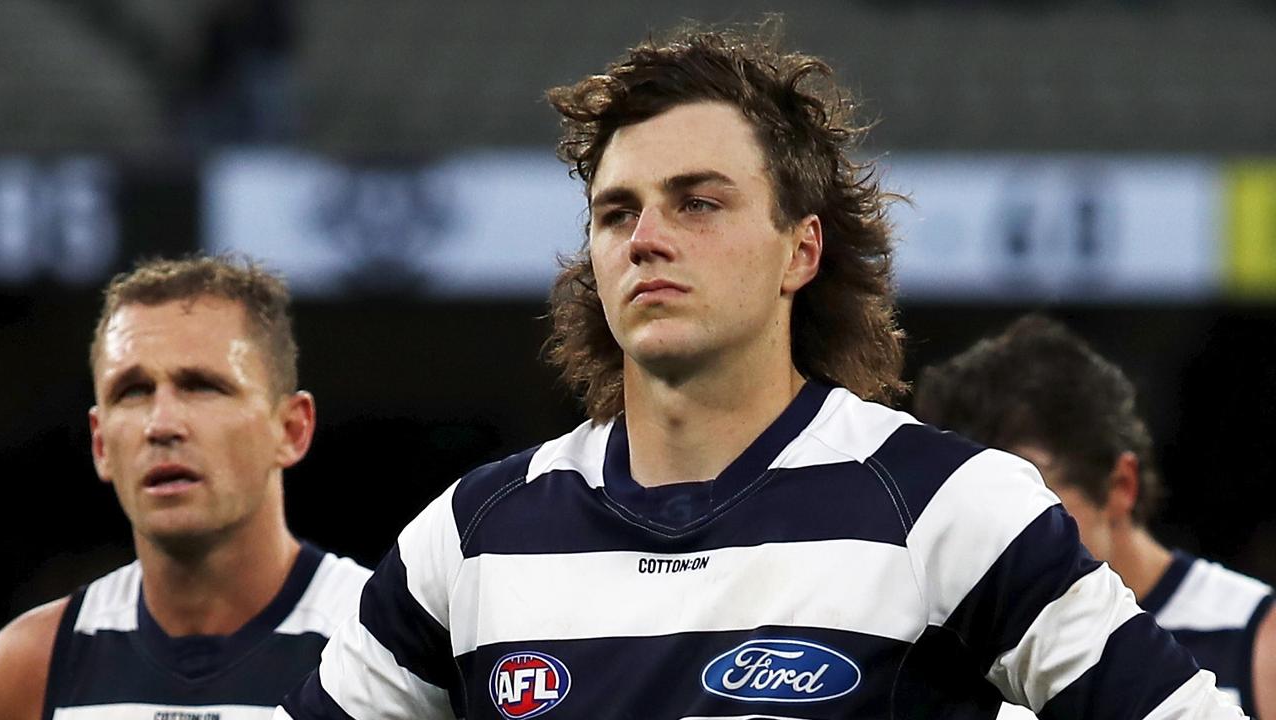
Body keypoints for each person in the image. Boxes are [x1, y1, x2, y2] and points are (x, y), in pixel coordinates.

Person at [280, 24, 1244, 719]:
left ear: (801, 250)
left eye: (698, 202)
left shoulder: (953, 508)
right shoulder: (472, 533)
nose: (646, 238)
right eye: (616, 213)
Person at [0, 256, 371, 720]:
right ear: (100, 444)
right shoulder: (27, 668)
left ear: (291, 429)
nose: (161, 424)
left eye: (201, 386)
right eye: (132, 391)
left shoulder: (388, 644)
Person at [913, 314, 1275, 719]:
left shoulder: (1259, 637)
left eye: (1029, 501)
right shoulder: (935, 642)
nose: (999, 536)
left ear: (1120, 485)